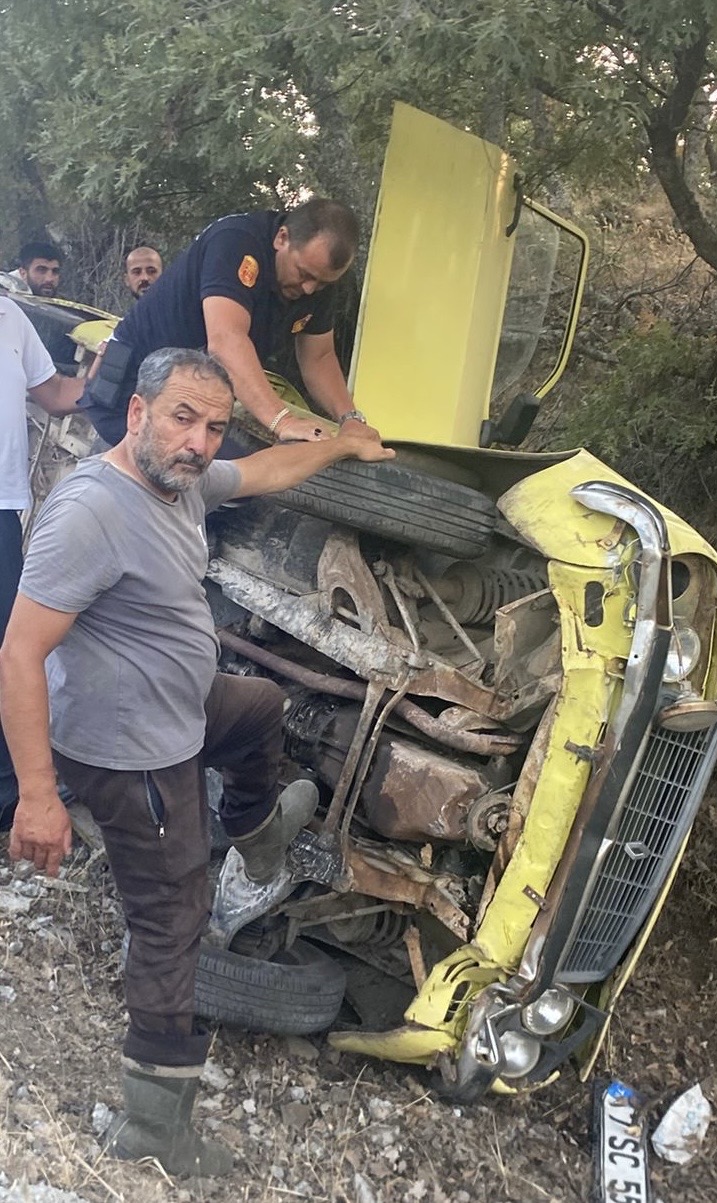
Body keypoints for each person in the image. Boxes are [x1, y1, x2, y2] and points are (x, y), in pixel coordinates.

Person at [0, 346, 394, 1176]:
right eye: (182, 417)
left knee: (259, 707)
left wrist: (343, 441)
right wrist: (37, 795)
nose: (200, 440)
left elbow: (268, 470)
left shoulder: (181, 481)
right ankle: (153, 1128)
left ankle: (253, 835)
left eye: (213, 425)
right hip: (131, 749)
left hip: (182, 708)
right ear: (137, 414)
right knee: (173, 916)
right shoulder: (92, 512)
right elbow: (18, 653)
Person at [80, 199, 376, 448]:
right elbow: (225, 342)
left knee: (234, 492)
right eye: (304, 273)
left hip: (188, 409)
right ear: (281, 238)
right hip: (129, 396)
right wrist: (282, 421)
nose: (310, 289)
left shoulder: (318, 278)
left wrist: (350, 419)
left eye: (322, 283)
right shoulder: (235, 242)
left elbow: (319, 357)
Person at [0, 296, 84, 830]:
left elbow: (53, 393)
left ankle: (9, 792)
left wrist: (112, 377)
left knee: (5, 644)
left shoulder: (9, 315)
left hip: (1, 506)